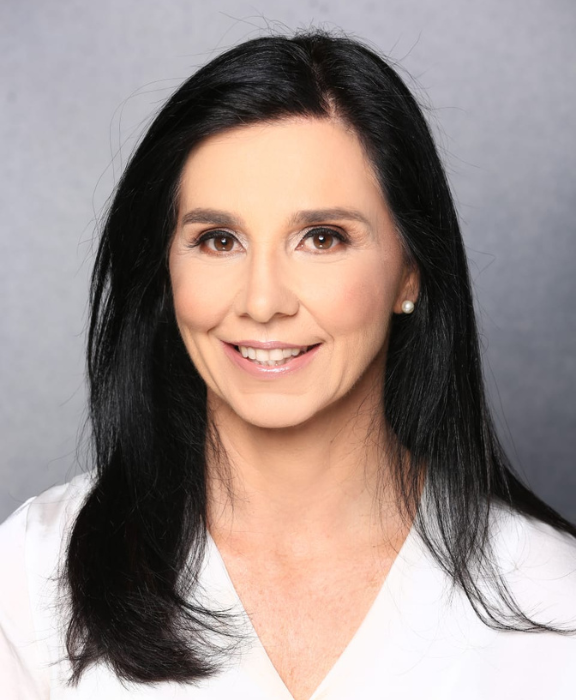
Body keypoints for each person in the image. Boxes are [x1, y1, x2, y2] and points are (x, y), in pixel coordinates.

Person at [1, 28, 575, 700]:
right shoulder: (32, 579)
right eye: (219, 240)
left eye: (322, 238)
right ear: (164, 270)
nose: (263, 301)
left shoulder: (555, 605)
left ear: (410, 271)